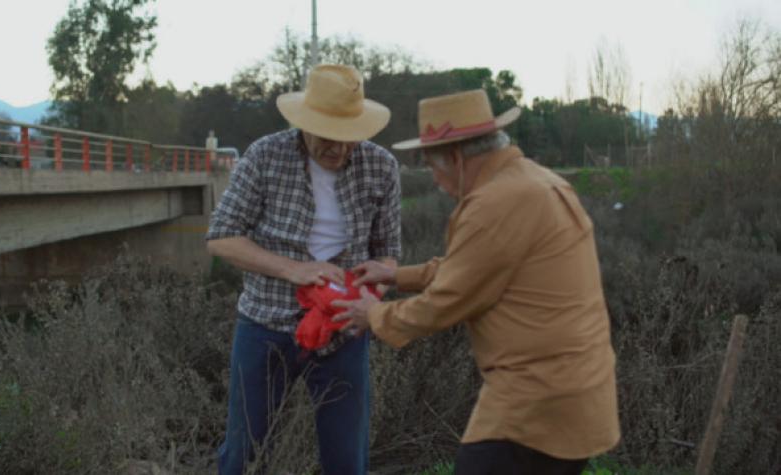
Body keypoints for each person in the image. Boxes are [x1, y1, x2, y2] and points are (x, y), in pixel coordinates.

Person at [333, 89, 620, 475]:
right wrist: (396, 274)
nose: (434, 179)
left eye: (431, 164)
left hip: (535, 405)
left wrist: (375, 314)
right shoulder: (532, 181)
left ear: (456, 158)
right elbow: (480, 269)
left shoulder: (494, 203)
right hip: (576, 394)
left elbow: (449, 300)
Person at [205, 64, 401, 474]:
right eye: (328, 138)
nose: (340, 149)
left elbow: (387, 255)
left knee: (346, 461)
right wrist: (294, 270)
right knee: (242, 456)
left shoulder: (382, 167)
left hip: (344, 332)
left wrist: (365, 301)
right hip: (264, 325)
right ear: (304, 124)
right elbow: (221, 237)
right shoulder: (265, 156)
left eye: (350, 138)